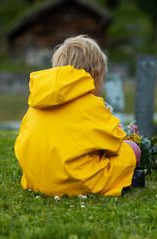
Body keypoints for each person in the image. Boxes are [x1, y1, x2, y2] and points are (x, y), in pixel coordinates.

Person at [14, 35, 141, 197]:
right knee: (133, 149)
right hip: (78, 181)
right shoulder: (90, 105)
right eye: (102, 77)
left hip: (36, 179)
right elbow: (114, 144)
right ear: (94, 74)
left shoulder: (37, 102)